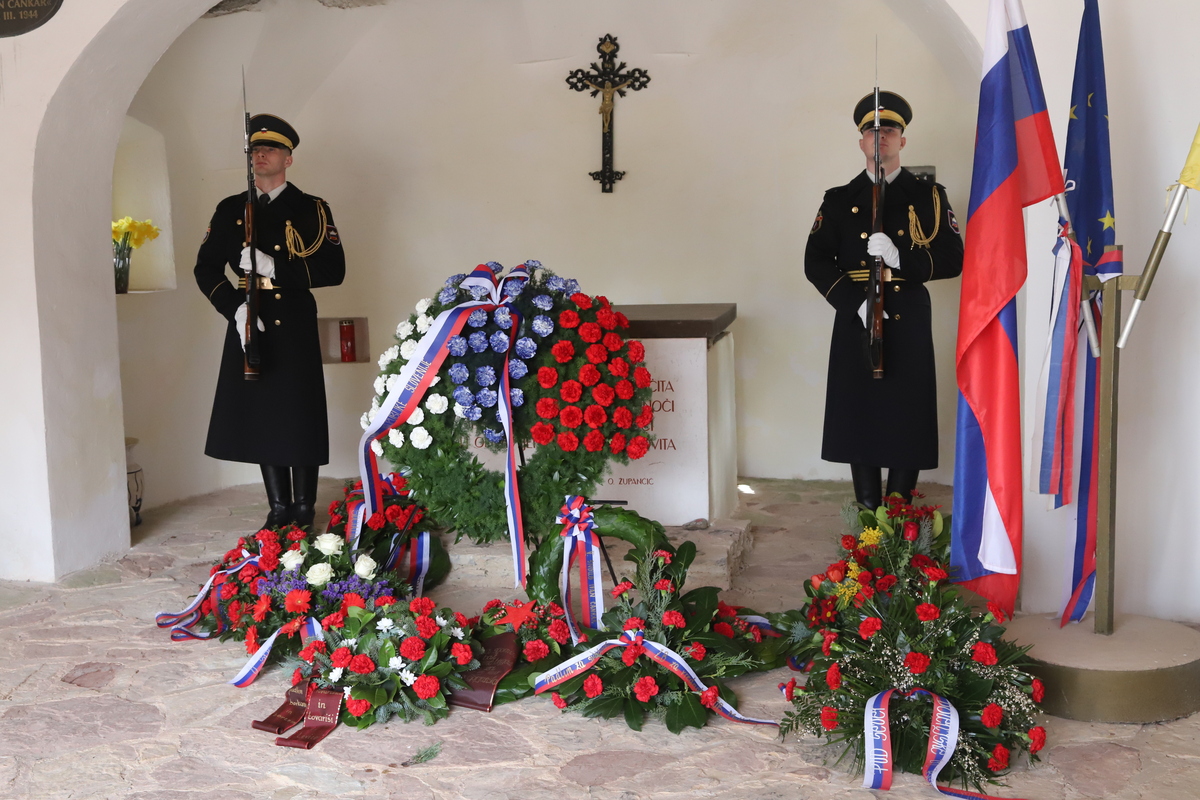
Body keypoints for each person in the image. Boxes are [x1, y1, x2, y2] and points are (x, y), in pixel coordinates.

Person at [804, 92, 963, 509]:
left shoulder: (928, 196)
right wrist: (855, 303)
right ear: (861, 141)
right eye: (872, 131)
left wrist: (901, 258)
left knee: (906, 411)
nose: (881, 137)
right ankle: (868, 515)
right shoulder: (839, 199)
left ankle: (898, 514)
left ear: (902, 140)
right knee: (860, 410)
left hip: (907, 313)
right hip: (856, 314)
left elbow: (953, 258)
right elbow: (815, 261)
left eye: (889, 130)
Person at [194, 114, 345, 530]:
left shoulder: (312, 209)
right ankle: (278, 508)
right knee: (263, 412)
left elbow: (333, 269)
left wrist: (273, 266)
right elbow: (205, 269)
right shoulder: (230, 209)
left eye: (271, 149)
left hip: (293, 320)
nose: (261, 154)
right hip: (249, 319)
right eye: (255, 149)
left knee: (299, 412)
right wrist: (235, 308)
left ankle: (304, 508)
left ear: (288, 159)